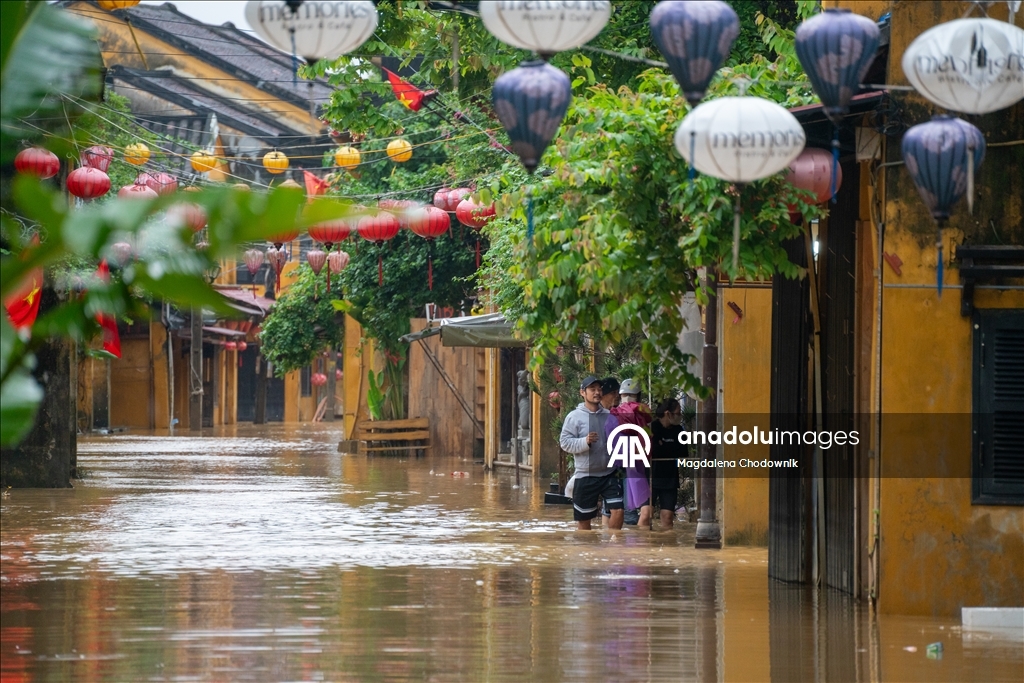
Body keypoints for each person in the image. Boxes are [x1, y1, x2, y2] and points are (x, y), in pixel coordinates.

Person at [559, 375, 623, 530]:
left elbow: (618, 441)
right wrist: (584, 441)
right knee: (584, 524)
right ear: (583, 392)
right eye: (592, 389)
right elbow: (565, 443)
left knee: (619, 511)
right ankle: (587, 552)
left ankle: (612, 548)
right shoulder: (574, 417)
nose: (597, 392)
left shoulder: (610, 416)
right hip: (585, 475)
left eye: (599, 389)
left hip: (609, 474)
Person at [606, 379, 653, 527]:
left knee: (610, 512)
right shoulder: (643, 415)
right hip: (637, 467)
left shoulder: (612, 415)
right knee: (642, 512)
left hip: (616, 468)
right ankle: (639, 544)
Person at [651, 397, 684, 529]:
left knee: (668, 517)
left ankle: (668, 544)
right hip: (651, 477)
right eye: (677, 413)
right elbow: (653, 450)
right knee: (647, 514)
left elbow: (682, 452)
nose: (679, 416)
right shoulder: (653, 427)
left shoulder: (679, 430)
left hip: (670, 478)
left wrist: (662, 446)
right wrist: (666, 448)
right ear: (667, 413)